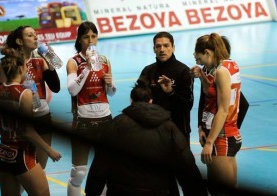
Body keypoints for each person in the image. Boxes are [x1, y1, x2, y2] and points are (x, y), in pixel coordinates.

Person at [85, 79, 208, 196]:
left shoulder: (116, 124)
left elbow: (100, 163)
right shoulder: (168, 127)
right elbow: (186, 164)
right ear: (151, 101)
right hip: (158, 191)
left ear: (131, 100)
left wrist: (92, 192)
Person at [0, 46, 61, 196]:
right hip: (22, 154)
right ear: (22, 68)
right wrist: (49, 150)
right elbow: (27, 130)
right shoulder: (24, 94)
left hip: (3, 153)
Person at [0, 25, 61, 171]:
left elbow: (56, 88)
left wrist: (51, 64)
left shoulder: (40, 60)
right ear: (19, 41)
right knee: (23, 169)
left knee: (39, 169)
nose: (36, 37)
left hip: (42, 117)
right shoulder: (8, 64)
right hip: (19, 121)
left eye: (36, 34)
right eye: (30, 35)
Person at [66, 21, 116, 196]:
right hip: (83, 122)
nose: (90, 40)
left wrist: (110, 84)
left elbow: (111, 93)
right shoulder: (74, 62)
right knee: (78, 172)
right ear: (80, 39)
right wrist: (87, 67)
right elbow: (72, 89)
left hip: (105, 119)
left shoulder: (105, 60)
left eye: (93, 36)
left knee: (104, 170)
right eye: (86, 37)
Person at [191, 33, 242, 195]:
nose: (195, 57)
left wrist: (209, 142)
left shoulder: (221, 72)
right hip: (224, 133)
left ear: (207, 52)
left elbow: (223, 109)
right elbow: (212, 92)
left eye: (197, 54)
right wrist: (202, 77)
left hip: (222, 136)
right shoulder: (228, 64)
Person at [139, 31, 194, 144]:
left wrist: (170, 92)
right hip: (153, 129)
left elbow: (187, 106)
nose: (162, 49)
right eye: (158, 46)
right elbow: (137, 100)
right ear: (154, 49)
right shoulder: (148, 71)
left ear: (173, 48)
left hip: (178, 130)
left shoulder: (183, 71)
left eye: (166, 45)